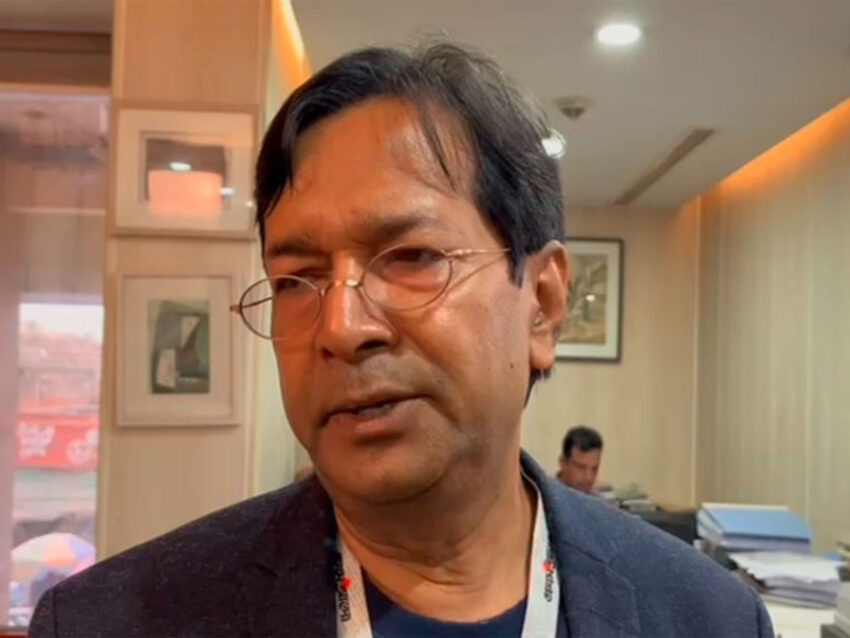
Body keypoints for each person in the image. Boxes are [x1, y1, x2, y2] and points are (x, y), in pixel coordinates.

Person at [30, 43, 772, 637]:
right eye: (297, 280)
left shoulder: (711, 618)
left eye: (411, 257)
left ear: (543, 306)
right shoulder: (111, 621)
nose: (341, 327)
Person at [557, 425, 603, 493]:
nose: (589, 478)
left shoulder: (597, 499)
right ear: (563, 463)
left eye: (594, 469)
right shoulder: (545, 496)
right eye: (581, 468)